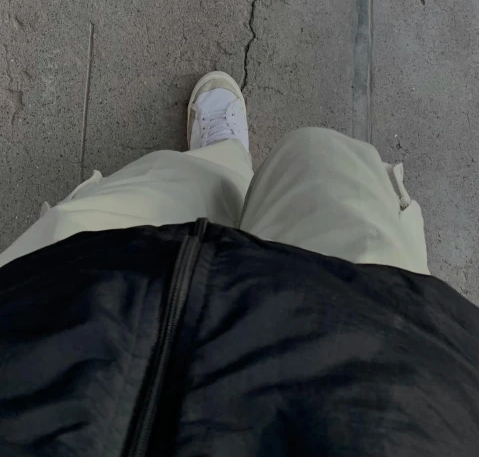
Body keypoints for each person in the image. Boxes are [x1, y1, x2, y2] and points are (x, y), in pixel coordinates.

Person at [0, 71, 477, 455]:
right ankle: (228, 171)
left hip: (80, 328)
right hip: (378, 367)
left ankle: (222, 159)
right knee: (321, 157)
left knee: (151, 197)